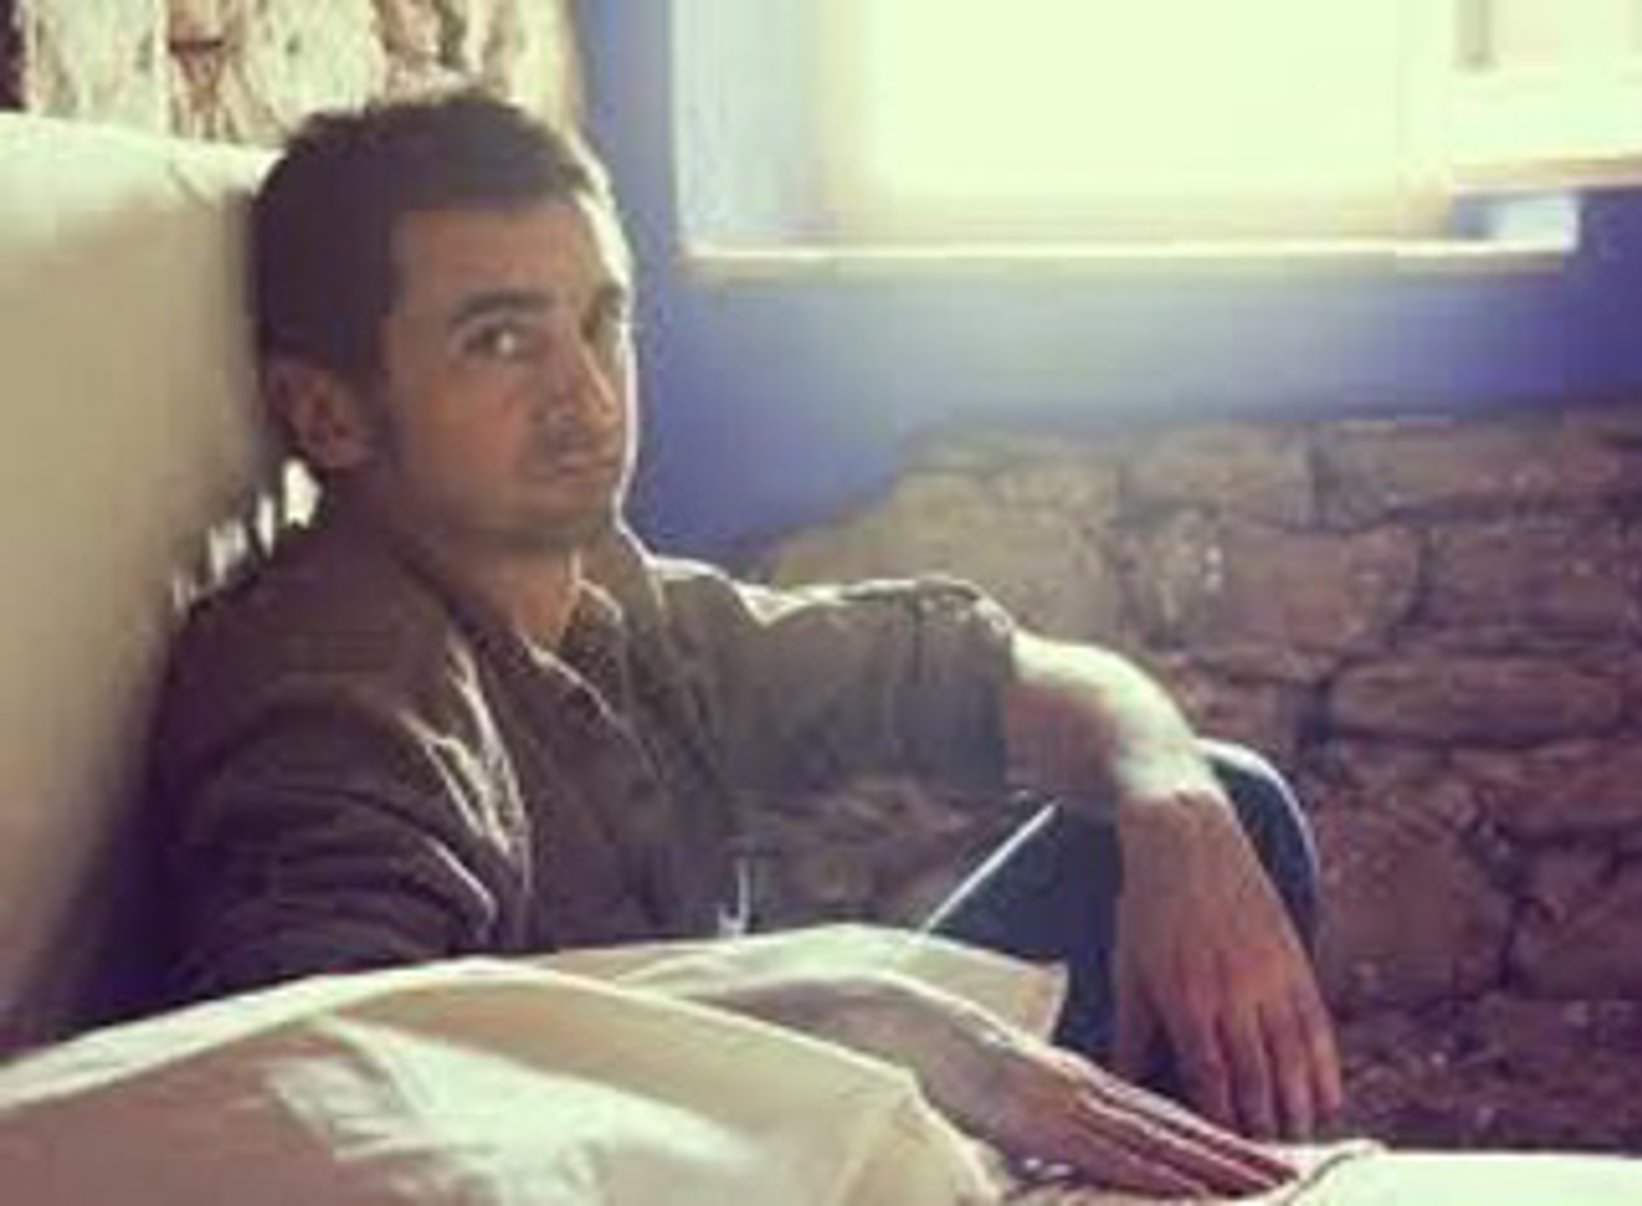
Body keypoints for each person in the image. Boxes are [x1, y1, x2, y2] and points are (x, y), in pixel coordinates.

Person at [146, 90, 1341, 1198]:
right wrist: (864, 1029)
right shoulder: (336, 690)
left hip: (745, 1146)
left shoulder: (629, 608)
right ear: (327, 413)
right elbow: (334, 1067)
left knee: (1217, 801)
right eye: (502, 342)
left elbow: (1005, 675)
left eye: (602, 323)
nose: (587, 396)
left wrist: (1175, 811)